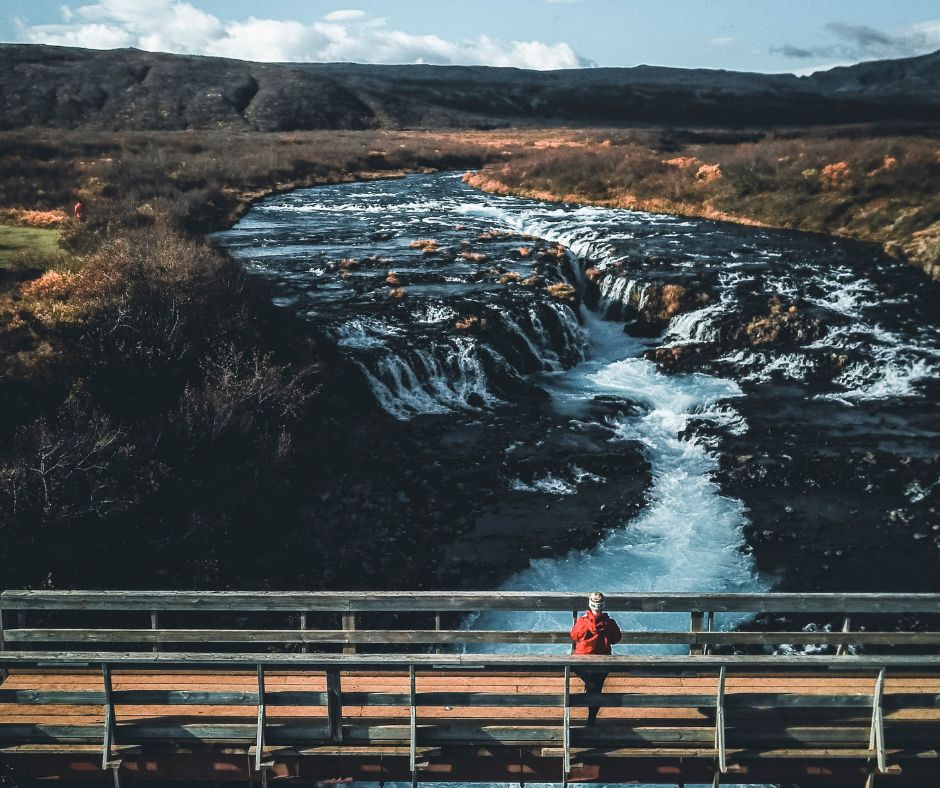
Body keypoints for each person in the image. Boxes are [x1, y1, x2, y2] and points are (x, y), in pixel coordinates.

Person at [570, 591, 622, 725]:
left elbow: (574, 636)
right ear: (603, 606)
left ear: (590, 605)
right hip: (603, 662)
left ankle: (588, 682)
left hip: (582, 661)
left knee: (575, 668)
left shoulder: (582, 622)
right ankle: (591, 719)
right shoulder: (610, 623)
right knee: (597, 690)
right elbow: (616, 639)